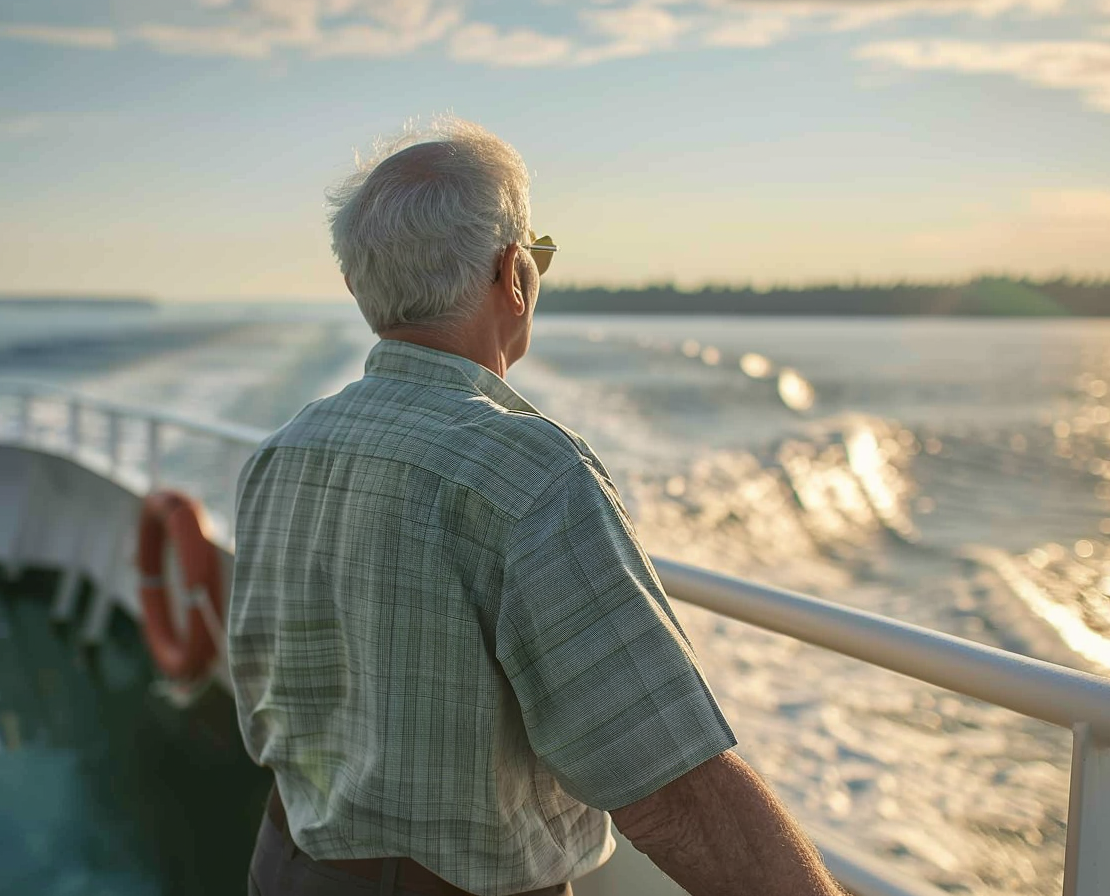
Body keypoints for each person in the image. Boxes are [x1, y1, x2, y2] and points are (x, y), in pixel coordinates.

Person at [228, 116, 845, 896]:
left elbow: (261, 701)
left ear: (358, 285)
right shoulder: (532, 473)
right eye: (537, 255)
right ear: (513, 273)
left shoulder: (282, 452)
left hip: (287, 868)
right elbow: (670, 789)